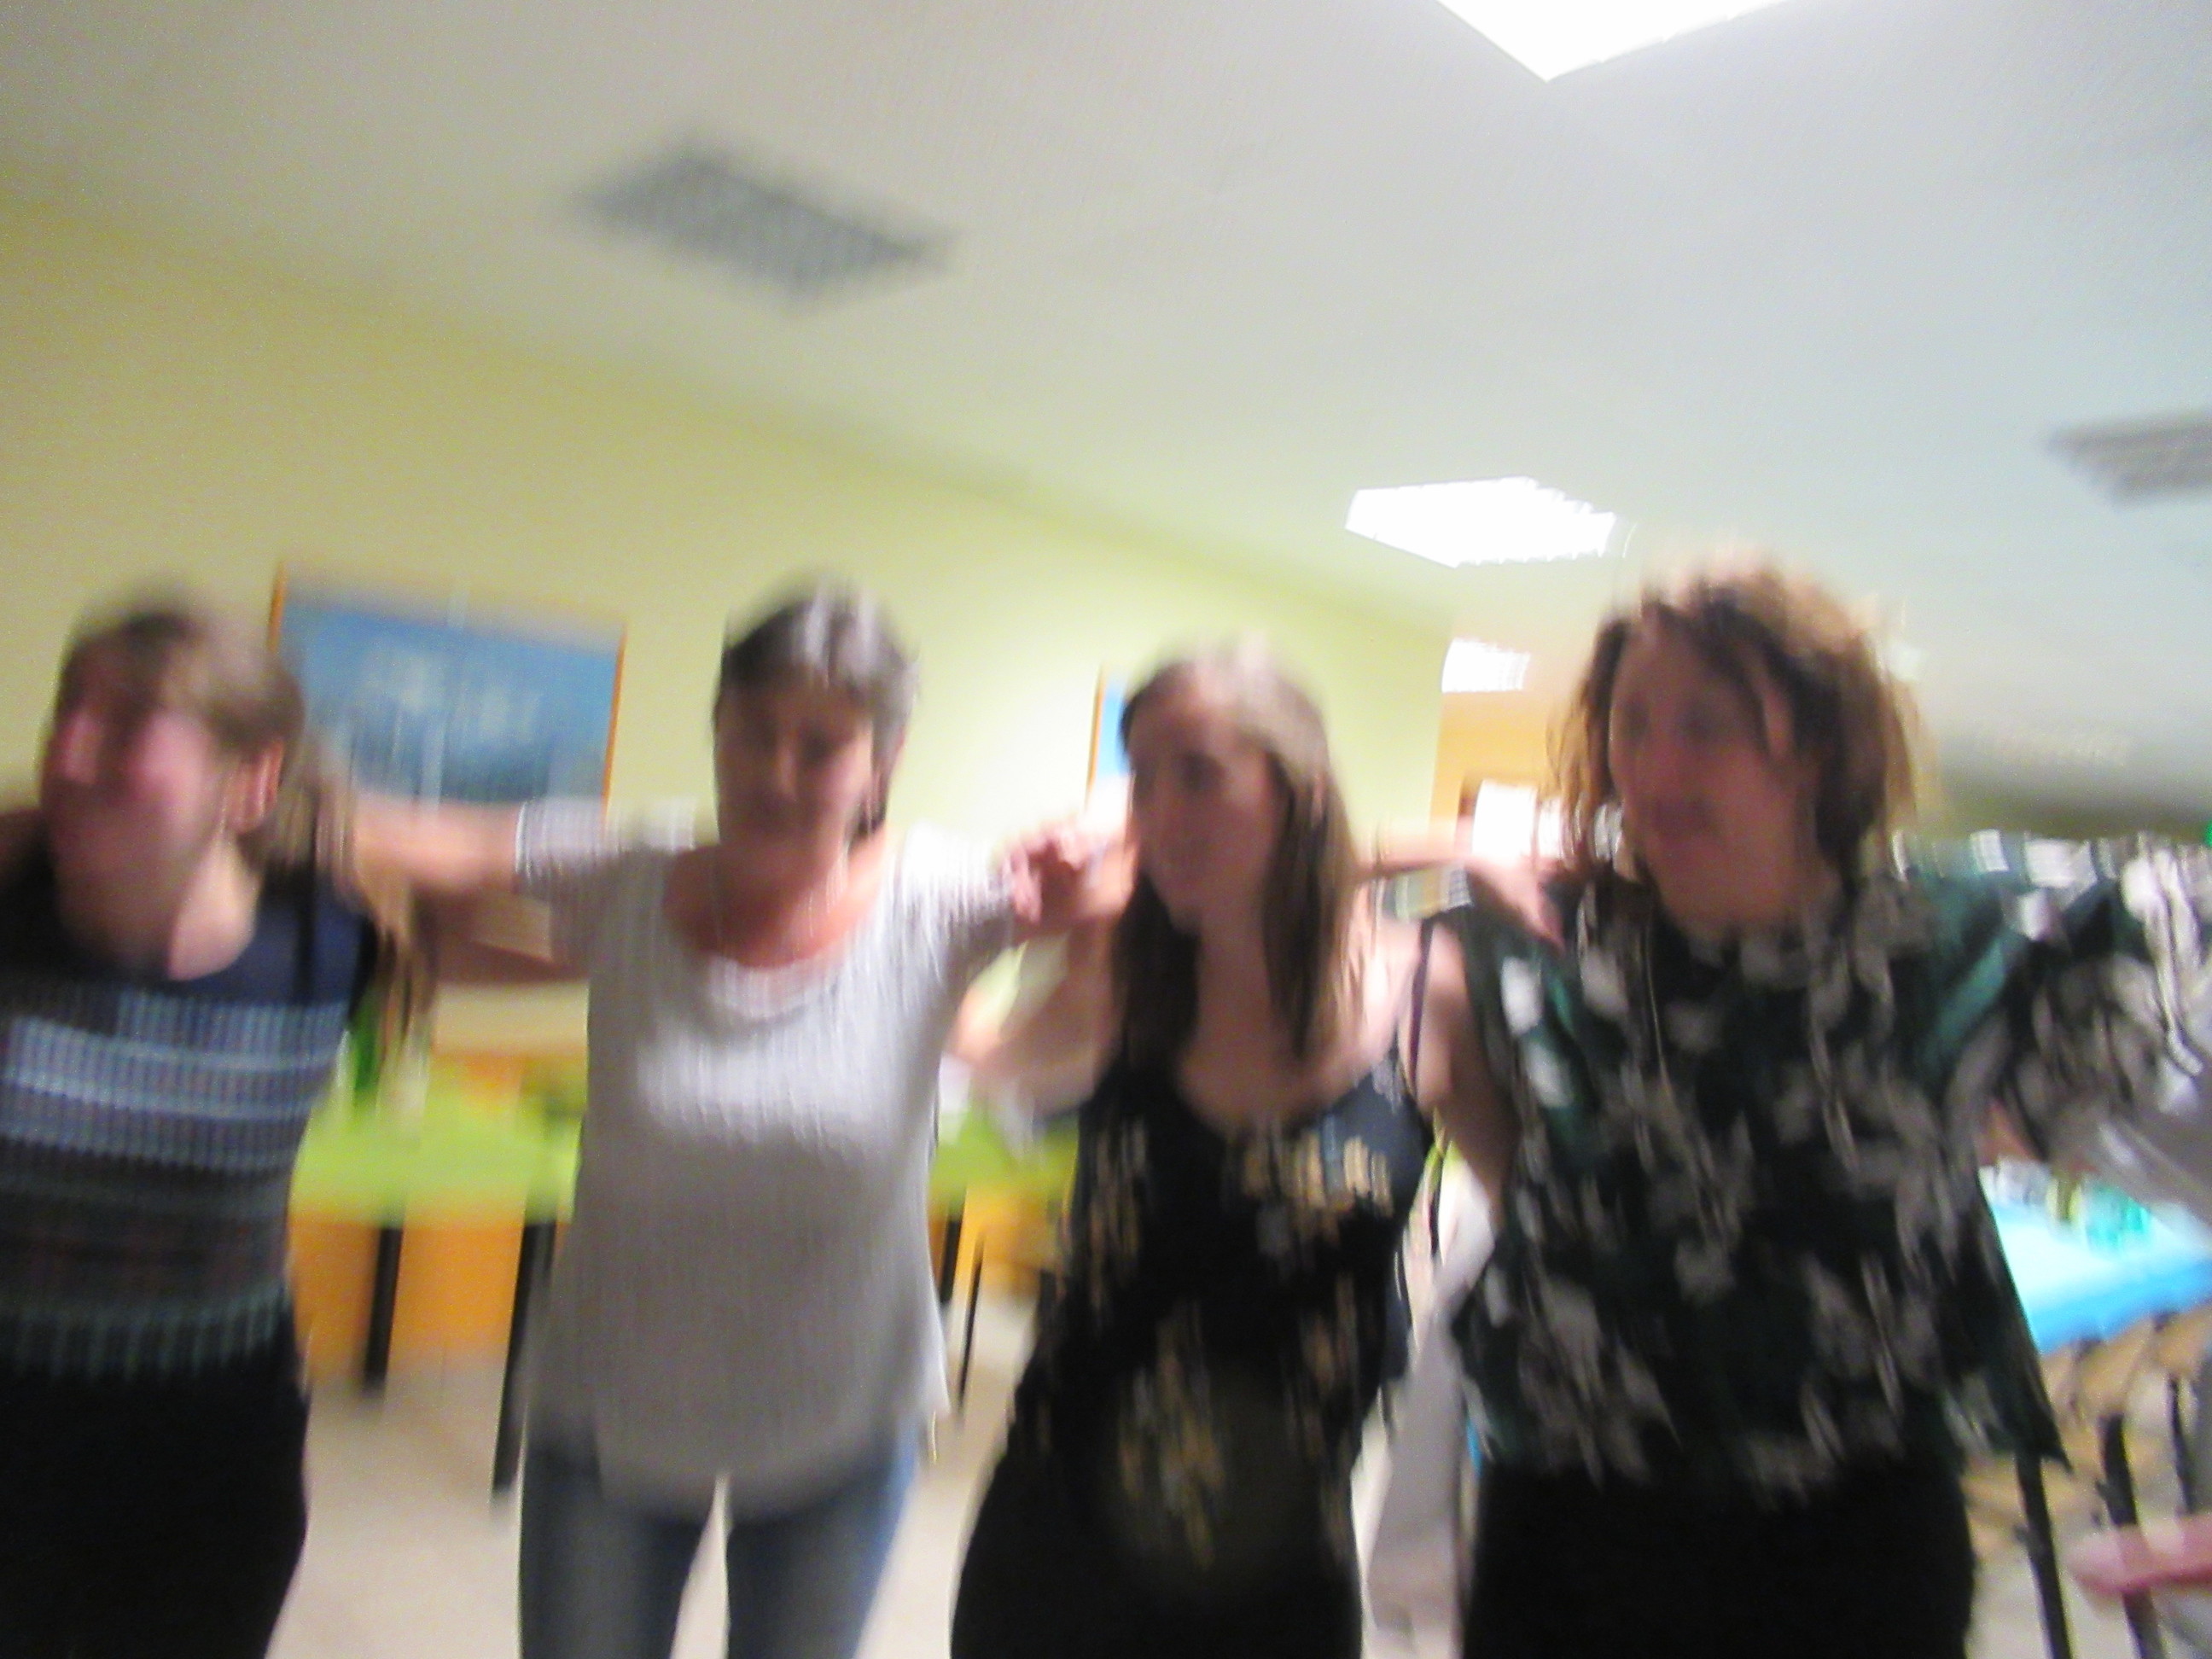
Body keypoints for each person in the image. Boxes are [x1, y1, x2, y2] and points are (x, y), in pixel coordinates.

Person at [1440, 564, 2212, 1659]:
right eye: (1632, 724)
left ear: (1816, 744)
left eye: (1706, 725)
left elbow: (2172, 947)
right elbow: (1288, 915)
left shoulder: (1952, 947)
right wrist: (1444, 845)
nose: (1654, 767)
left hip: (1845, 1541)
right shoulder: (1553, 945)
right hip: (1570, 1520)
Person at [359, 579, 1112, 1659]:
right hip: (611, 1403)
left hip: (842, 1419)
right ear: (715, 725)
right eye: (753, 730)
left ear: (883, 763)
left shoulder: (939, 899)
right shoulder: (634, 869)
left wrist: (1094, 852)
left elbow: (1160, 888)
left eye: (822, 745)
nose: (776, 771)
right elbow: (397, 844)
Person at [949, 640, 1508, 1659]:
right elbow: (981, 1065)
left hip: (1281, 1570)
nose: (1160, 812)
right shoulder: (1121, 978)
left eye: (1199, 773)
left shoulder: (1427, 998)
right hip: (1061, 1544)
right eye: (1144, 779)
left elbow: (1541, 1221)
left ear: (1298, 790)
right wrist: (1012, 923)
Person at [0, 598, 387, 1657]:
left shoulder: (327, 943)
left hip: (210, 1478)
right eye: (66, 709)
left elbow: (624, 903)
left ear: (251, 780)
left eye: (127, 725)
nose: (66, 755)